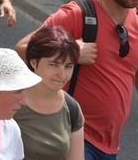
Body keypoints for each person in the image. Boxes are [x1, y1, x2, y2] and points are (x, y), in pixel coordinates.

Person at [15, 0, 138, 160]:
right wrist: (72, 51)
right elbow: (21, 49)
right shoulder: (77, 14)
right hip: (74, 135)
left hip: (111, 147)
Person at [14, 26, 85, 160]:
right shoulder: (10, 99)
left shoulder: (72, 109)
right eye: (53, 65)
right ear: (34, 62)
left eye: (68, 66)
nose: (62, 75)